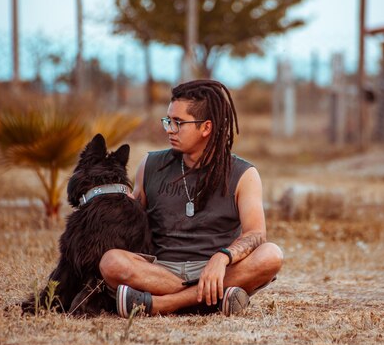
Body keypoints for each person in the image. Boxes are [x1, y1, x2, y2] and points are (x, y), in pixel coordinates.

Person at [99, 79, 283, 317]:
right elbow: (132, 220)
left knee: (271, 255)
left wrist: (222, 257)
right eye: (168, 121)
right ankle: (213, 301)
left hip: (217, 270)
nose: (169, 129)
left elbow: (256, 234)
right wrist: (112, 202)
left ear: (206, 128)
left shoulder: (244, 174)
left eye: (178, 123)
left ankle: (162, 305)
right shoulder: (151, 164)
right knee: (111, 262)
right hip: (159, 270)